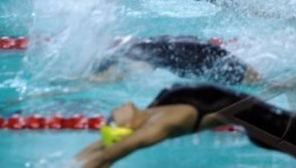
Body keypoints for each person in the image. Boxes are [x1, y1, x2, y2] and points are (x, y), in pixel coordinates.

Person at [76, 83, 296, 167]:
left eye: (111, 119)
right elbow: (107, 156)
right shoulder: (159, 126)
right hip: (276, 128)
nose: (117, 112)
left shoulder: (159, 103)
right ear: (129, 127)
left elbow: (101, 148)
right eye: (116, 121)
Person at [89, 35, 259, 85]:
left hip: (197, 56)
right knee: (255, 80)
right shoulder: (132, 49)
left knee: (256, 82)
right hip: (193, 49)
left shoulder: (133, 57)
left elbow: (141, 68)